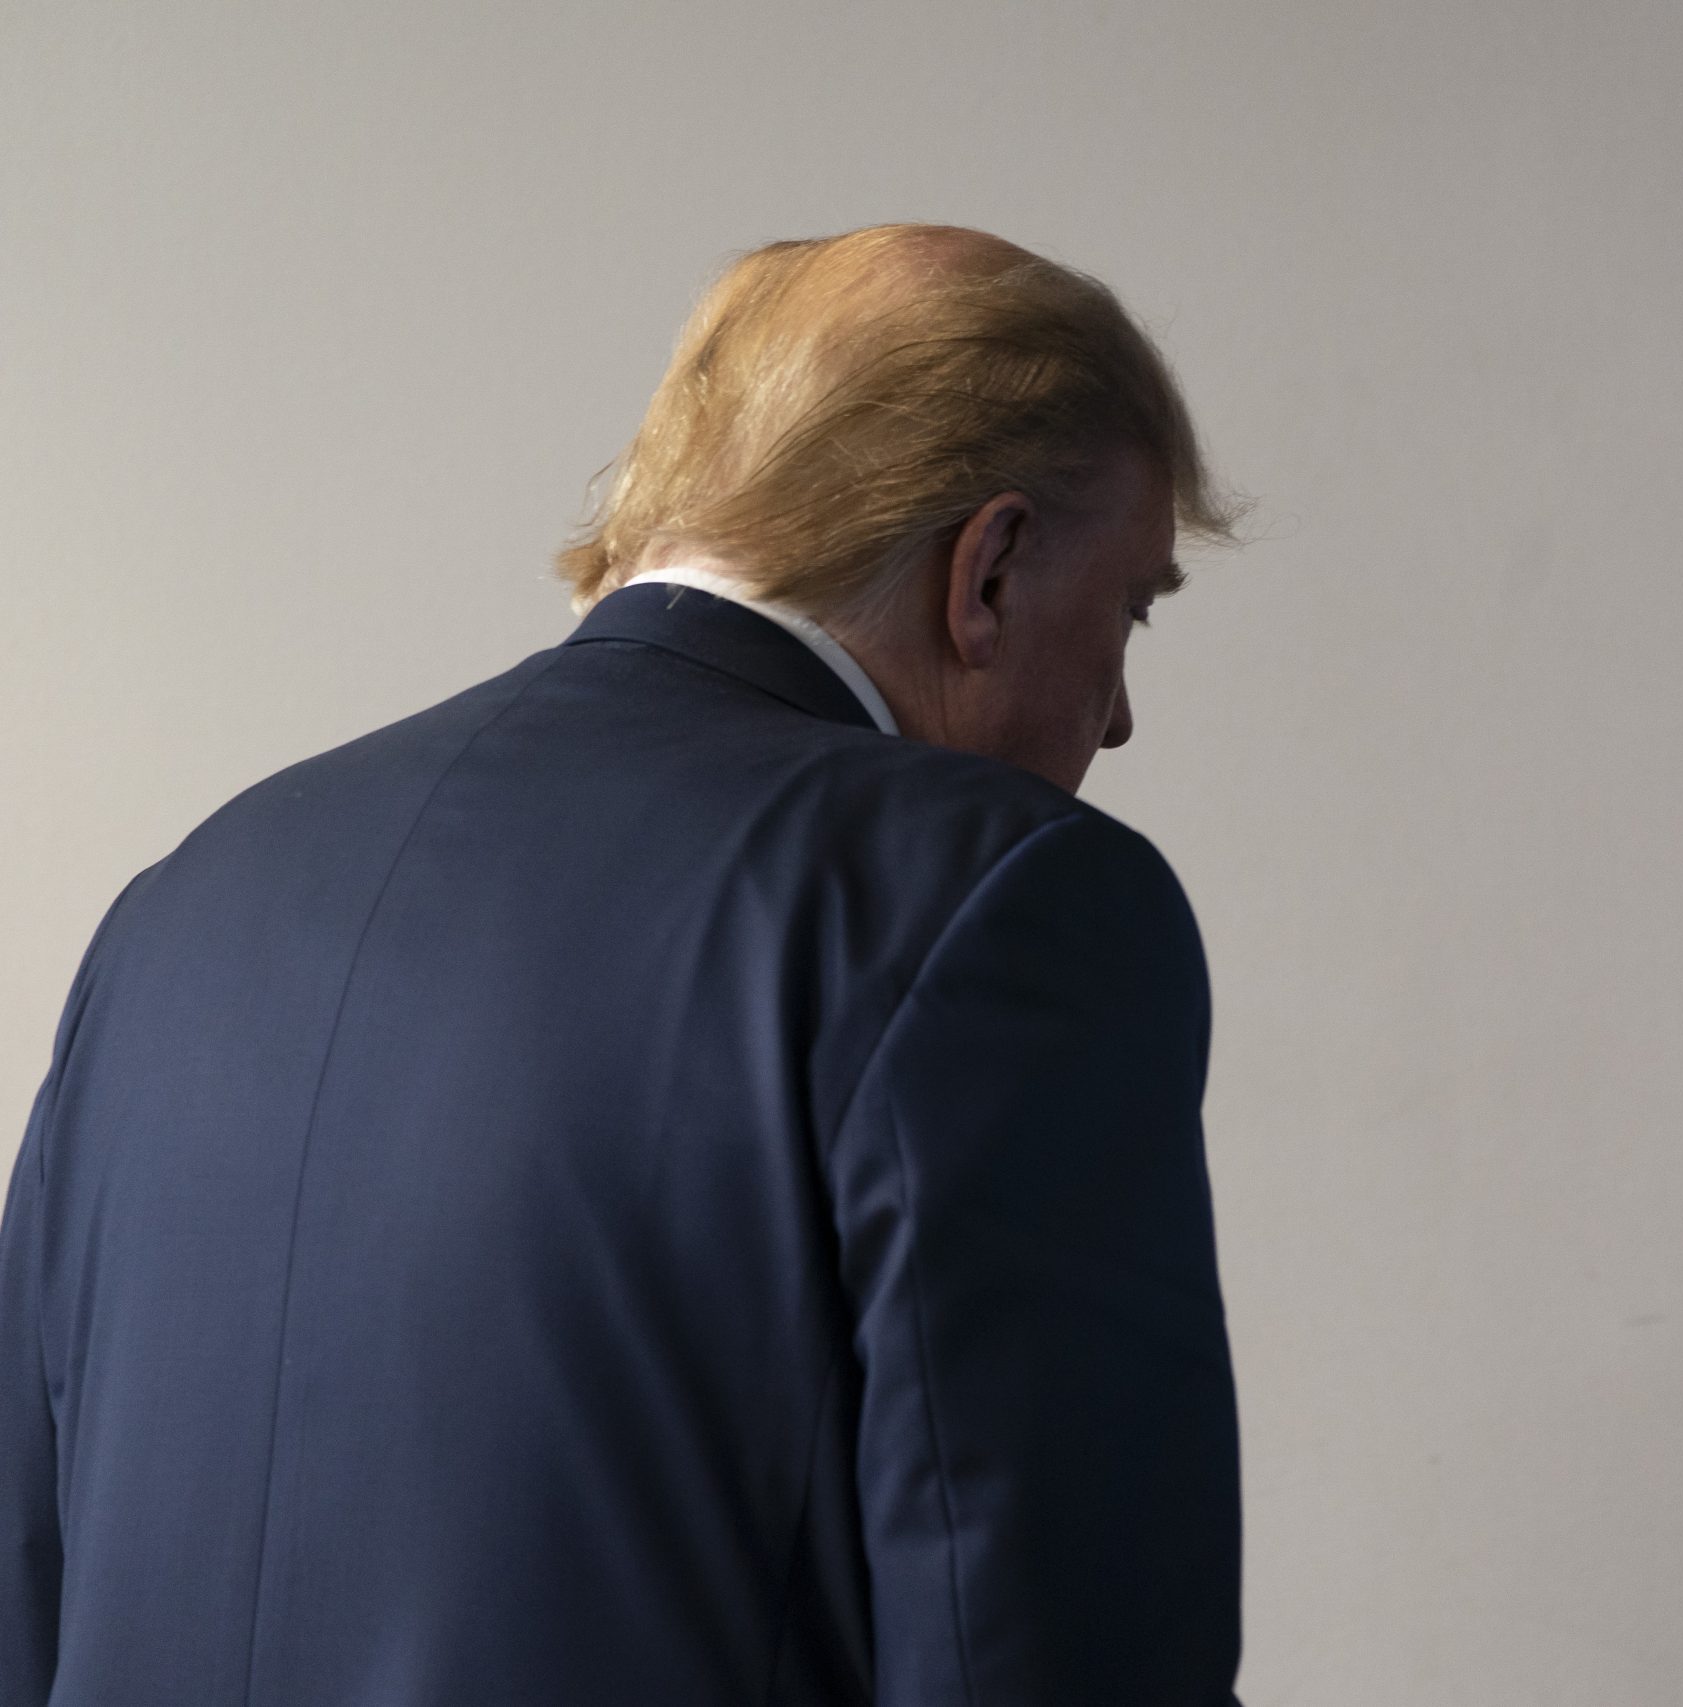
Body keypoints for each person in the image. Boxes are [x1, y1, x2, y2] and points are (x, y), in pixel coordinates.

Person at [0, 224, 1248, 1706]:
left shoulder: (189, 903)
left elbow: (31, 1596)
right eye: (1133, 608)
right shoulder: (987, 896)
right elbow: (1049, 1659)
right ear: (989, 568)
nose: (1115, 722)